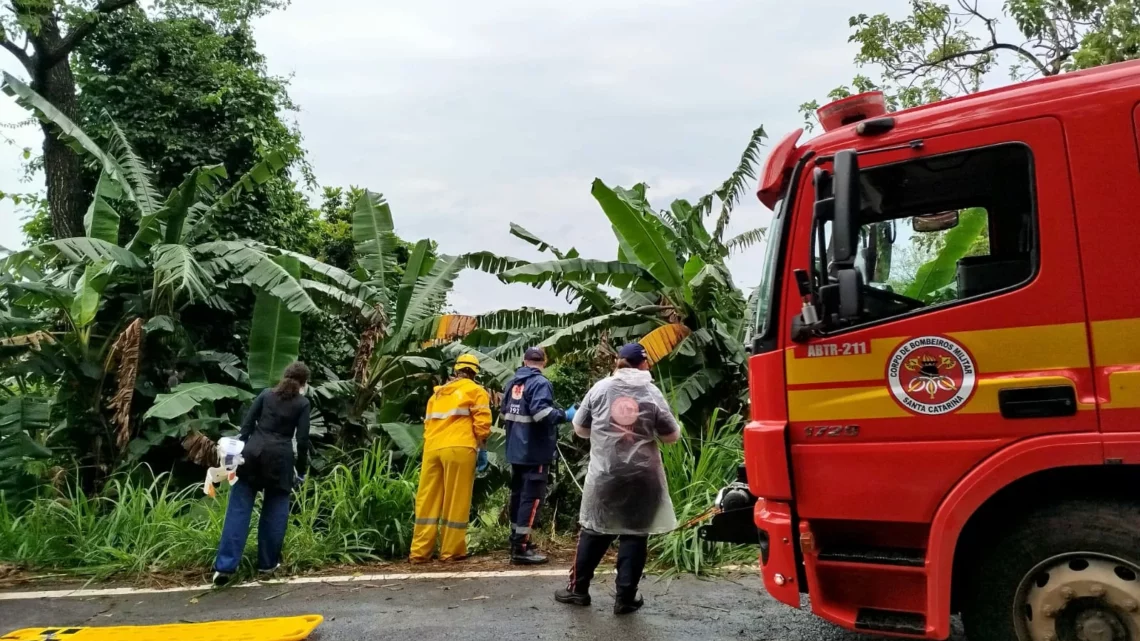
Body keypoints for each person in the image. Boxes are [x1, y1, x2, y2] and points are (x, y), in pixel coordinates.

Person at [554, 343, 681, 614]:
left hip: (606, 474)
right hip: (643, 477)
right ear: (644, 364)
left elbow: (579, 428)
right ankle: (625, 598)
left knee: (595, 529)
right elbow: (671, 436)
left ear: (617, 361)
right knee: (635, 535)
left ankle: (578, 590)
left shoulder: (600, 388)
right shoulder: (651, 392)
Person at [213, 361, 312, 586]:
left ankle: (225, 568)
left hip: (252, 454)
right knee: (275, 513)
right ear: (304, 384)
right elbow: (303, 440)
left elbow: (246, 427)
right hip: (281, 460)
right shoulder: (303, 403)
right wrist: (303, 470)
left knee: (238, 510)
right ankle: (267, 566)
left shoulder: (266, 394)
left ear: (284, 376)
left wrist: (235, 454)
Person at [410, 353, 492, 562]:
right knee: (456, 499)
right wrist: (482, 447)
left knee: (427, 501)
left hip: (432, 449)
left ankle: (419, 553)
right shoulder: (476, 391)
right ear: (474, 372)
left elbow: (427, 425)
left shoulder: (436, 395)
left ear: (456, 370)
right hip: (459, 448)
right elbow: (482, 425)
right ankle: (450, 551)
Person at [501, 347, 569, 565]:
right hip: (535, 451)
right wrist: (565, 415)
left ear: (524, 361)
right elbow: (542, 414)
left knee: (518, 495)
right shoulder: (540, 383)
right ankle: (521, 547)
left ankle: (516, 540)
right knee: (531, 498)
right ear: (544, 361)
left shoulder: (512, 383)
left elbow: (504, 412)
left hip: (515, 450)